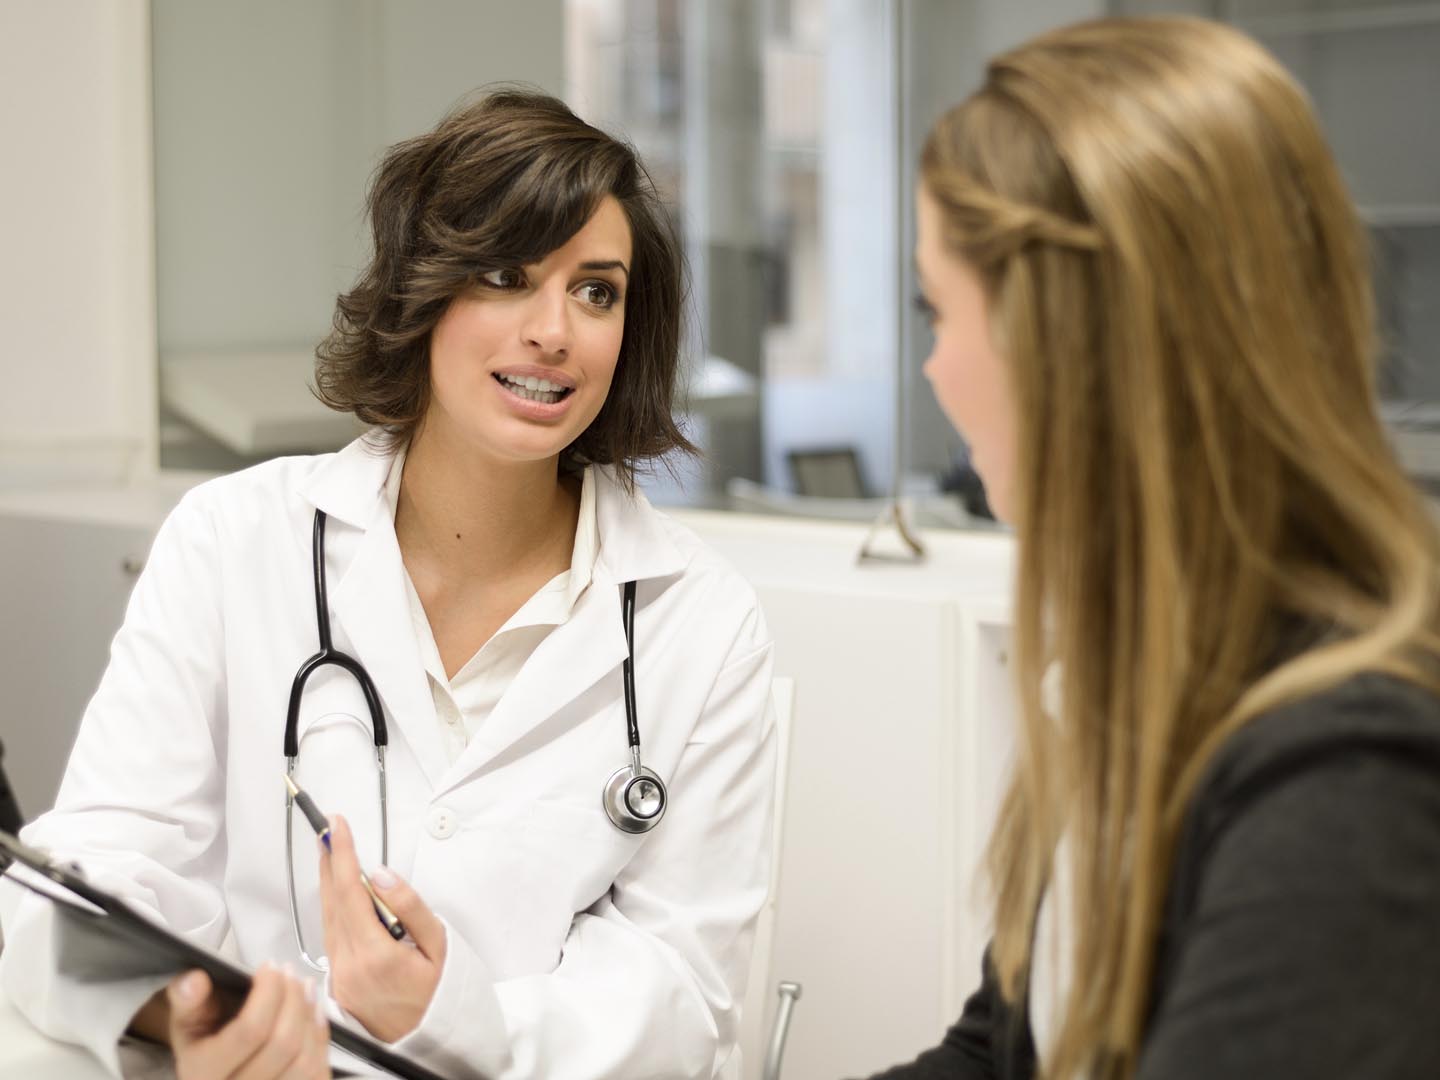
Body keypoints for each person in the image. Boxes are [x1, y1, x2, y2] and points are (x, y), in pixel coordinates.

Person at [0, 89, 776, 1080]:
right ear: (424, 287)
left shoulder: (698, 624)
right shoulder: (233, 543)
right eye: (506, 275)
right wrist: (181, 1009)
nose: (555, 332)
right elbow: (90, 869)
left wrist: (451, 1021)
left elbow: (679, 995)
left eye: (597, 291)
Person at [864, 15, 1440, 1080]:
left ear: (1063, 340)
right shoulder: (1135, 679)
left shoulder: (1350, 774)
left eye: (938, 312)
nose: (936, 371)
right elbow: (997, 1055)